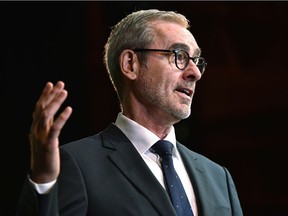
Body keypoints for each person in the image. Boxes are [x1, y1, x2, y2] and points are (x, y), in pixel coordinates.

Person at [16, 9, 243, 216]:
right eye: (179, 56)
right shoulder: (77, 165)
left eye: (196, 60)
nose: (195, 73)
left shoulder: (218, 178)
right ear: (130, 64)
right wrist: (44, 184)